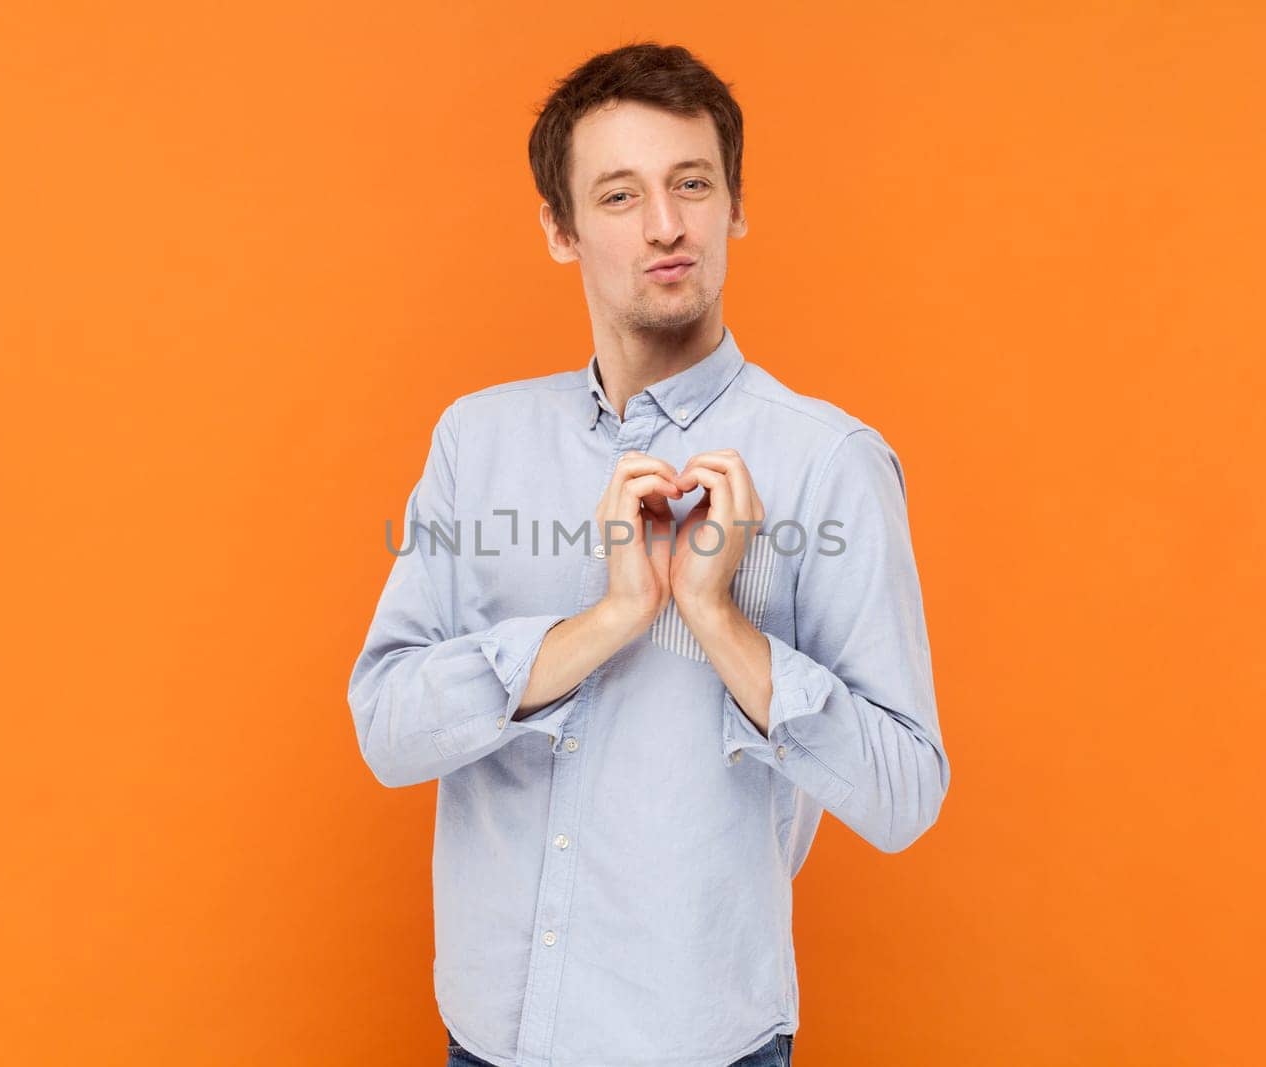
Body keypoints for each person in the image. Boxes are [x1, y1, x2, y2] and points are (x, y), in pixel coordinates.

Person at [348, 41, 950, 1067]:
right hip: (488, 1034)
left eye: (691, 184)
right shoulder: (476, 440)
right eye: (619, 195)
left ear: (734, 205)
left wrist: (716, 616)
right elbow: (388, 731)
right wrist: (609, 618)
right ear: (559, 229)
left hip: (700, 1040)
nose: (665, 226)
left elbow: (903, 795)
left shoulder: (829, 462)